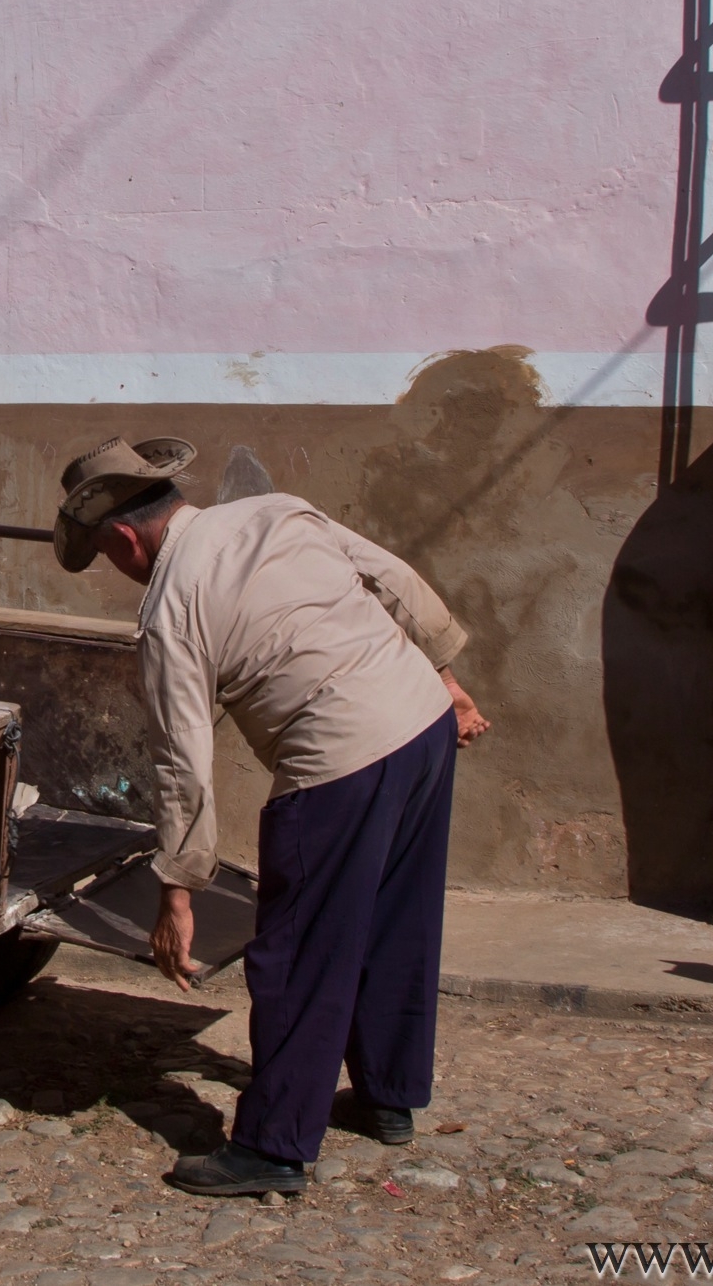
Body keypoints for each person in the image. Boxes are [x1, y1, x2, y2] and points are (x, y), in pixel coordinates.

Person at [51, 435, 490, 1197]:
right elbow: (393, 580)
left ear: (124, 537)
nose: (116, 573)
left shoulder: (169, 608)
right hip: (421, 724)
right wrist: (447, 677)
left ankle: (275, 1147)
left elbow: (183, 761)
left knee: (298, 952)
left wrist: (177, 889)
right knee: (397, 920)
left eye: (105, 556)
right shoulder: (278, 510)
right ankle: (389, 1099)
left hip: (340, 762)